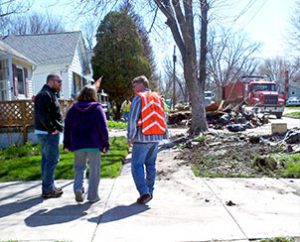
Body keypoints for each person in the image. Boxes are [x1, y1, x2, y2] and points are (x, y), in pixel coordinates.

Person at [63, 85, 109, 203]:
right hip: (94, 144)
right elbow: (103, 127)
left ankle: (78, 188)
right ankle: (93, 196)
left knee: (79, 168)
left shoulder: (73, 109)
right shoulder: (97, 109)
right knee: (94, 170)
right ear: (93, 95)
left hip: (78, 144)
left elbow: (67, 127)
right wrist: (105, 143)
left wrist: (66, 143)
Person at [127, 75, 167, 204]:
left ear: (141, 85)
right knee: (151, 165)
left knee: (136, 165)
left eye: (134, 85)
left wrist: (130, 137)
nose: (133, 89)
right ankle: (150, 191)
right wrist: (164, 134)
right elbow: (163, 116)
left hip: (141, 138)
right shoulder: (157, 98)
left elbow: (133, 120)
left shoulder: (139, 98)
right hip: (155, 137)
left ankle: (144, 193)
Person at [34, 73, 64, 198]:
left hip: (47, 133)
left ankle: (49, 186)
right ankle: (48, 190)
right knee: (52, 160)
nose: (61, 85)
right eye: (59, 82)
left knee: (47, 161)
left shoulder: (49, 93)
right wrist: (52, 129)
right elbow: (43, 115)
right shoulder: (44, 95)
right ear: (51, 81)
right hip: (48, 133)